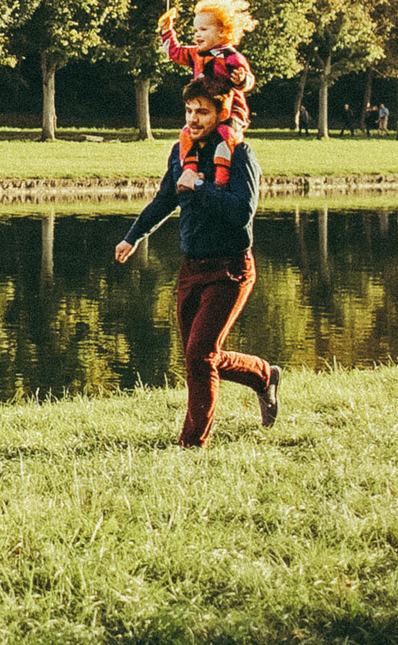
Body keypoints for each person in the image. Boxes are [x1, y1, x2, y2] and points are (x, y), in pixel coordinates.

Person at [113, 78, 281, 447]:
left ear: (222, 112)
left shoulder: (241, 154)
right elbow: (164, 201)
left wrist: (201, 187)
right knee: (199, 358)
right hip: (192, 268)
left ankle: (191, 444)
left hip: (231, 269)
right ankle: (263, 376)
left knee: (199, 356)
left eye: (202, 111)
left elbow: (241, 213)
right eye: (189, 110)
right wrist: (132, 236)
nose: (193, 118)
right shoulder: (180, 150)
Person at [159, 0, 258, 186]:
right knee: (186, 134)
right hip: (204, 110)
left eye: (203, 29)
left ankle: (221, 179)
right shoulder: (196, 54)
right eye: (195, 30)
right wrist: (166, 30)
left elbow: (249, 81)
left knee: (225, 134)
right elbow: (174, 52)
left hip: (231, 112)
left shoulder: (230, 57)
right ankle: (190, 172)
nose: (197, 34)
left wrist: (242, 79)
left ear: (222, 32)